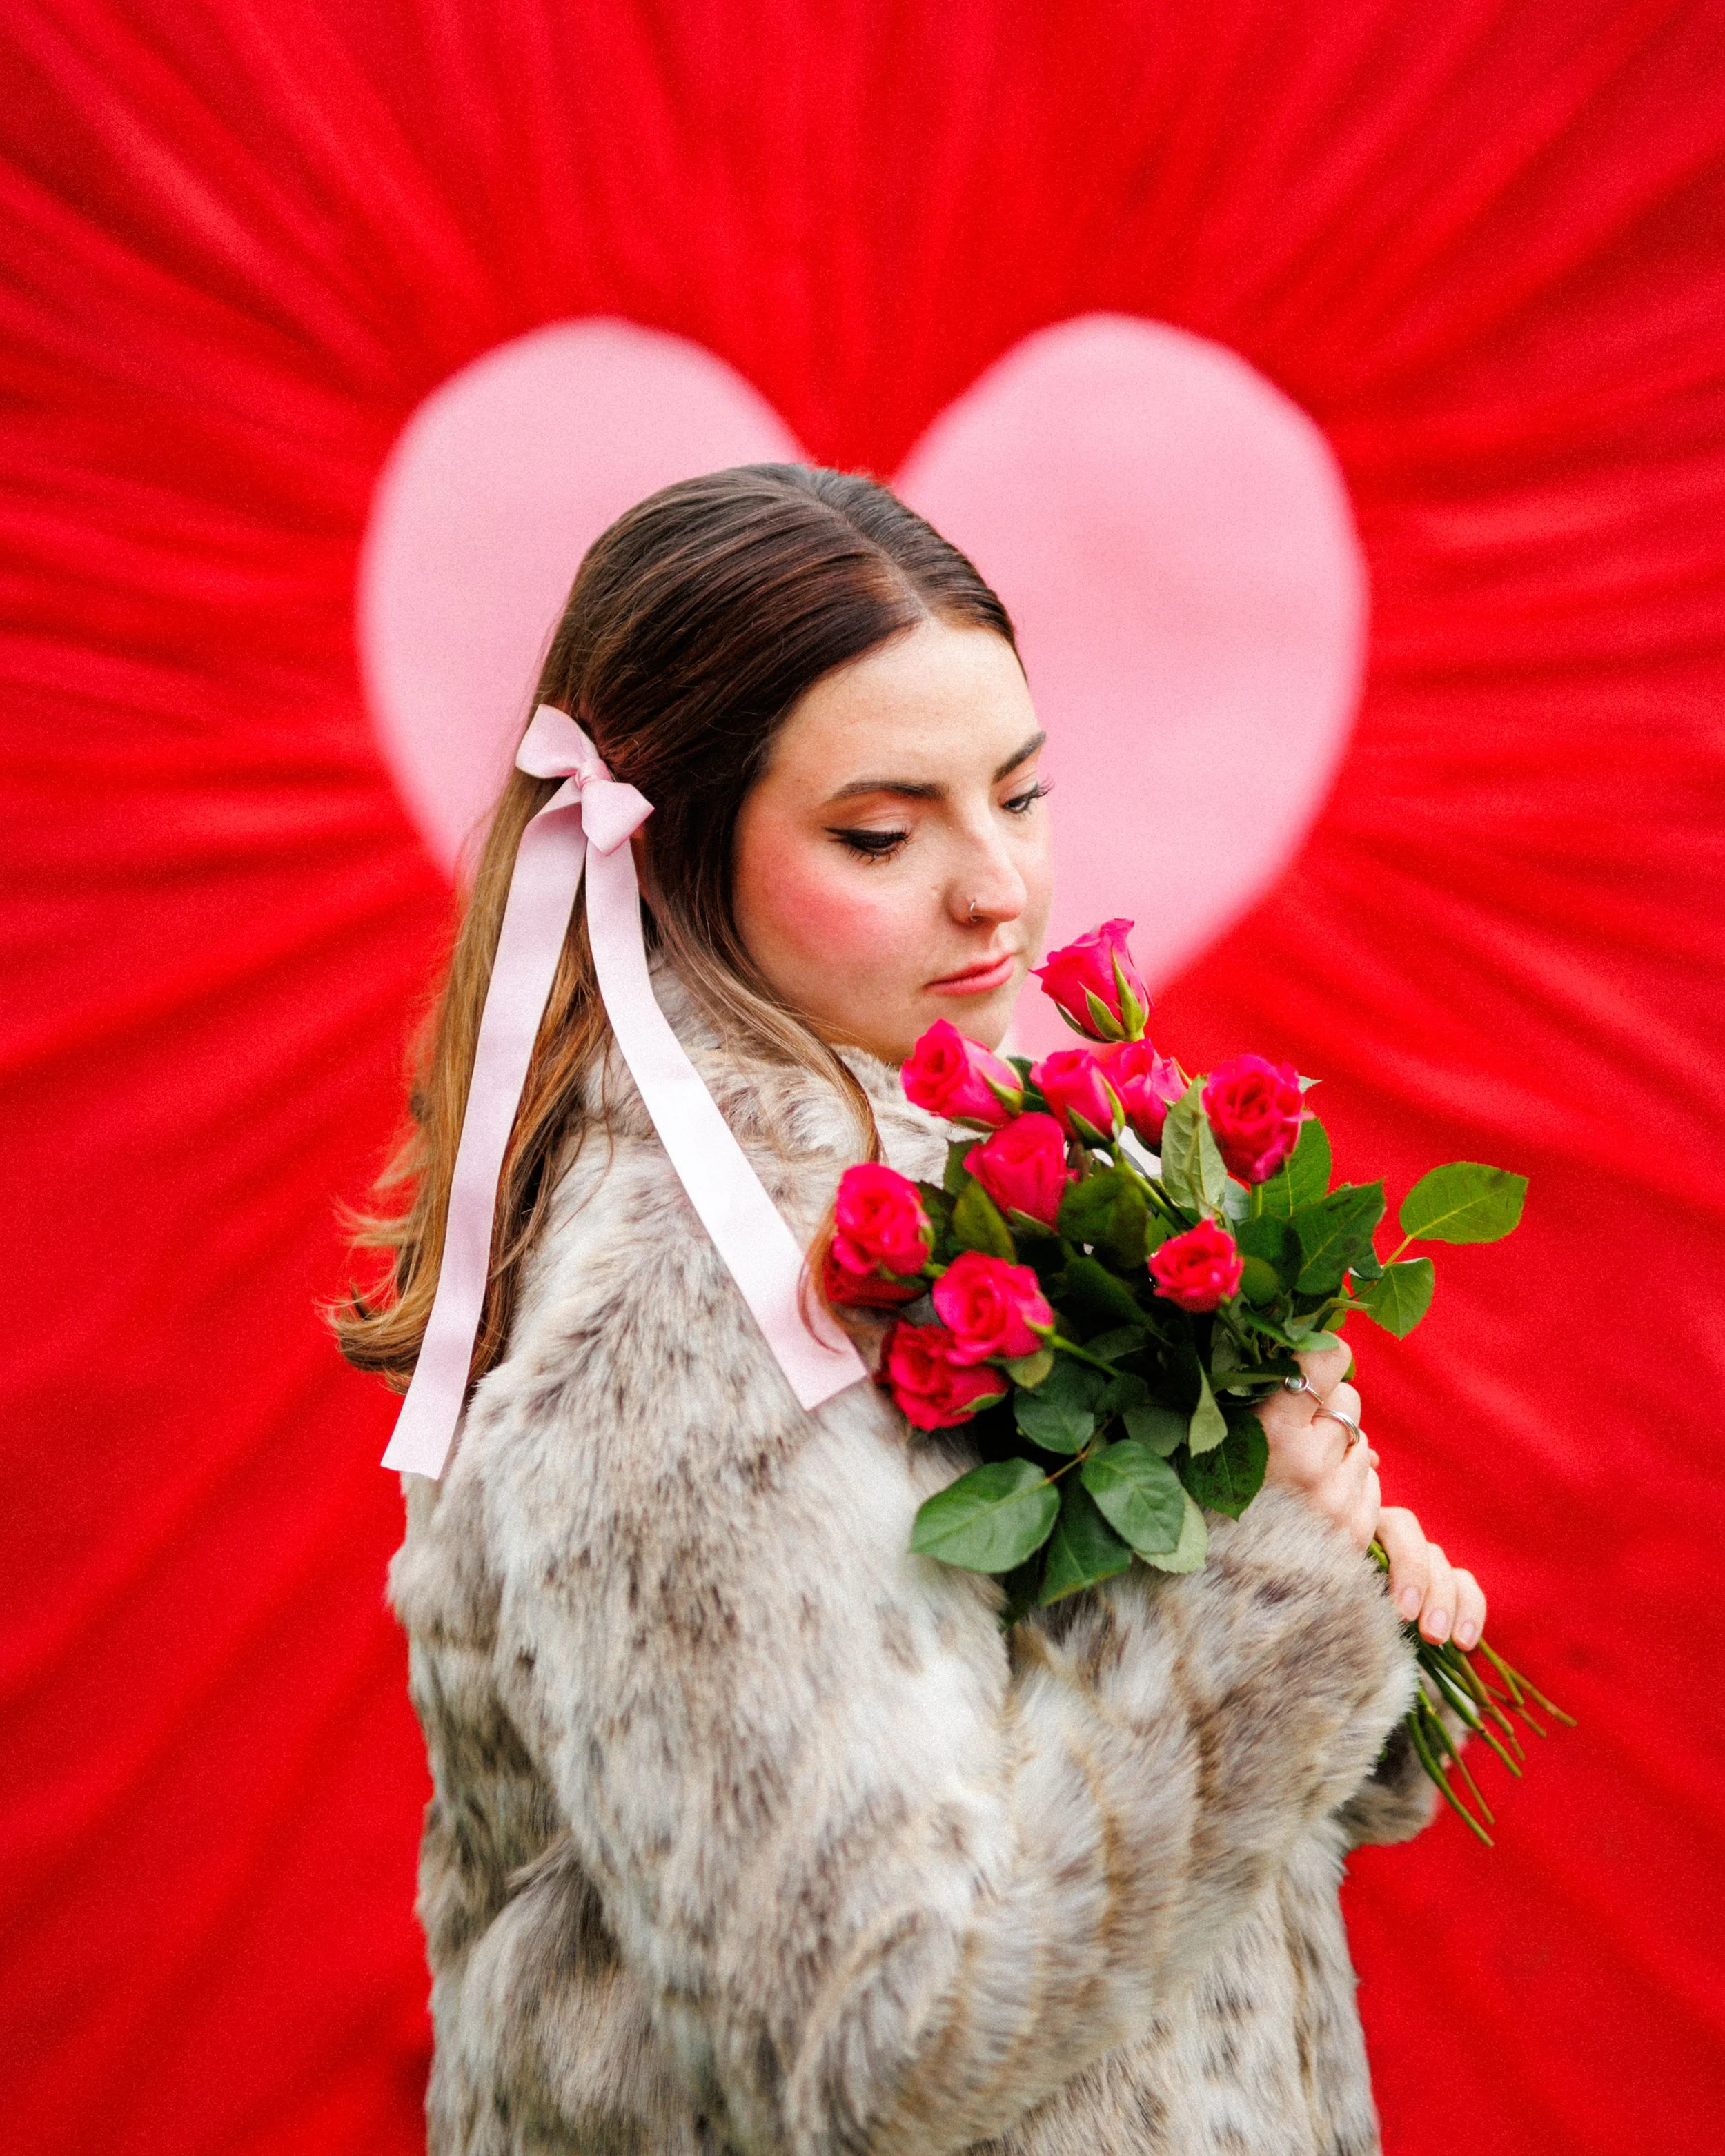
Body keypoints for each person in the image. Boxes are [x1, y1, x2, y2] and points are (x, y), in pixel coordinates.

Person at [335, 464, 1484, 2156]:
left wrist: (1344, 1605)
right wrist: (1256, 1609)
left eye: (1016, 794)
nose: (994, 887)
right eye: (880, 831)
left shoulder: (979, 1159)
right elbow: (871, 2048)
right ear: (674, 851)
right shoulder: (697, 1296)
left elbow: (1042, 1754)